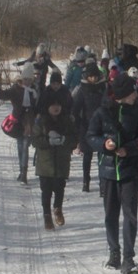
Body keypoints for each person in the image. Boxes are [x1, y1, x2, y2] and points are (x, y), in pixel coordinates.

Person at [86, 73, 138, 274]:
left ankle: (128, 258)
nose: (137, 96)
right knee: (110, 215)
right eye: (134, 92)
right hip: (107, 172)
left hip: (130, 171)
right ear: (124, 94)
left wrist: (129, 149)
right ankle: (114, 253)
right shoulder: (102, 112)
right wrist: (104, 145)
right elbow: (90, 136)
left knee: (130, 216)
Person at [30, 86, 78, 229]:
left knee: (59, 188)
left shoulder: (68, 120)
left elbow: (74, 139)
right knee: (46, 190)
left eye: (58, 105)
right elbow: (35, 141)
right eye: (53, 105)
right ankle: (47, 216)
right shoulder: (41, 121)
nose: (56, 108)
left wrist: (64, 140)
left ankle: (58, 209)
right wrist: (48, 141)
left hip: (62, 161)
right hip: (45, 163)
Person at [72, 62, 107, 192]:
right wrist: (77, 125)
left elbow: (108, 105)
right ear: (87, 76)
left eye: (95, 76)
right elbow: (75, 109)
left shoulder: (103, 88)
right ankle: (86, 181)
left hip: (102, 126)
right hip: (86, 126)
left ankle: (102, 183)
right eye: (91, 76)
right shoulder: (82, 89)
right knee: (87, 155)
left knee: (102, 155)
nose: (93, 79)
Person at [0, 79, 33, 183]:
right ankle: (23, 172)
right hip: (24, 121)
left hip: (23, 122)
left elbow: (3, 95)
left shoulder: (20, 89)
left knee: (23, 147)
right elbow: (3, 95)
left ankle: (23, 173)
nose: (26, 82)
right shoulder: (30, 89)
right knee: (23, 147)